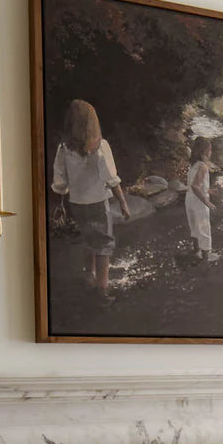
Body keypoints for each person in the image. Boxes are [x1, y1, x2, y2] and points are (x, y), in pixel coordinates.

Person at [50, 100, 131, 301]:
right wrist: (123, 202)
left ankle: (89, 274)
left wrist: (60, 201)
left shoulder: (63, 147)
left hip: (76, 203)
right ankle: (102, 289)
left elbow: (60, 179)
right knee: (104, 242)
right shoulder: (100, 146)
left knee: (88, 236)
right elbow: (111, 177)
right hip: (97, 202)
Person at [185, 136, 217, 263]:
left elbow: (194, 185)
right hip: (198, 201)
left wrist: (208, 190)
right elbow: (195, 186)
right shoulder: (203, 167)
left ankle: (195, 250)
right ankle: (205, 258)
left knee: (194, 226)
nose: (211, 152)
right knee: (204, 228)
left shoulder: (193, 165)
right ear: (204, 152)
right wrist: (207, 201)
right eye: (210, 150)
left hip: (189, 199)